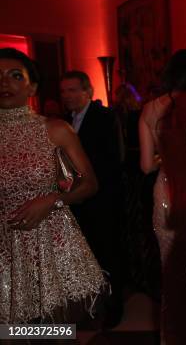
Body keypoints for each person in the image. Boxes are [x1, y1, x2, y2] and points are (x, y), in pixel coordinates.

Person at [0, 48, 106, 324]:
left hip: (48, 239)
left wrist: (51, 200)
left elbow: (90, 184)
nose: (4, 83)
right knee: (9, 331)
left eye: (15, 76)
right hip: (3, 246)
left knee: (54, 330)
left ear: (31, 86)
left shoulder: (55, 129)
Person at [139, 49, 186, 344]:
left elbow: (144, 165)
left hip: (164, 193)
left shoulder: (151, 109)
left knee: (171, 275)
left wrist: (165, 157)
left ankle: (172, 338)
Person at [59, 70, 125, 327]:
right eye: (63, 91)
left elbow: (111, 161)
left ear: (88, 92)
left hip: (103, 200)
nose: (67, 96)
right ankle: (89, 308)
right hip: (77, 202)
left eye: (73, 90)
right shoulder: (63, 120)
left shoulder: (105, 117)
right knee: (84, 258)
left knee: (108, 255)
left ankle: (114, 308)